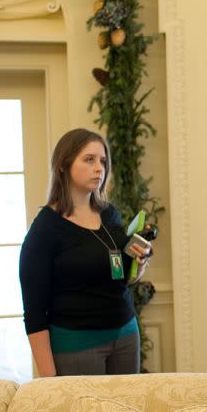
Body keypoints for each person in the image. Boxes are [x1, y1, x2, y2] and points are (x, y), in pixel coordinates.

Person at [19, 128, 152, 377]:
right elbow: (34, 313)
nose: (99, 168)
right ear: (63, 165)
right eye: (89, 159)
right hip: (76, 346)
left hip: (126, 336)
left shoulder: (109, 214)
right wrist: (50, 380)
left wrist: (139, 261)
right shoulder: (45, 229)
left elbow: (122, 276)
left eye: (102, 161)